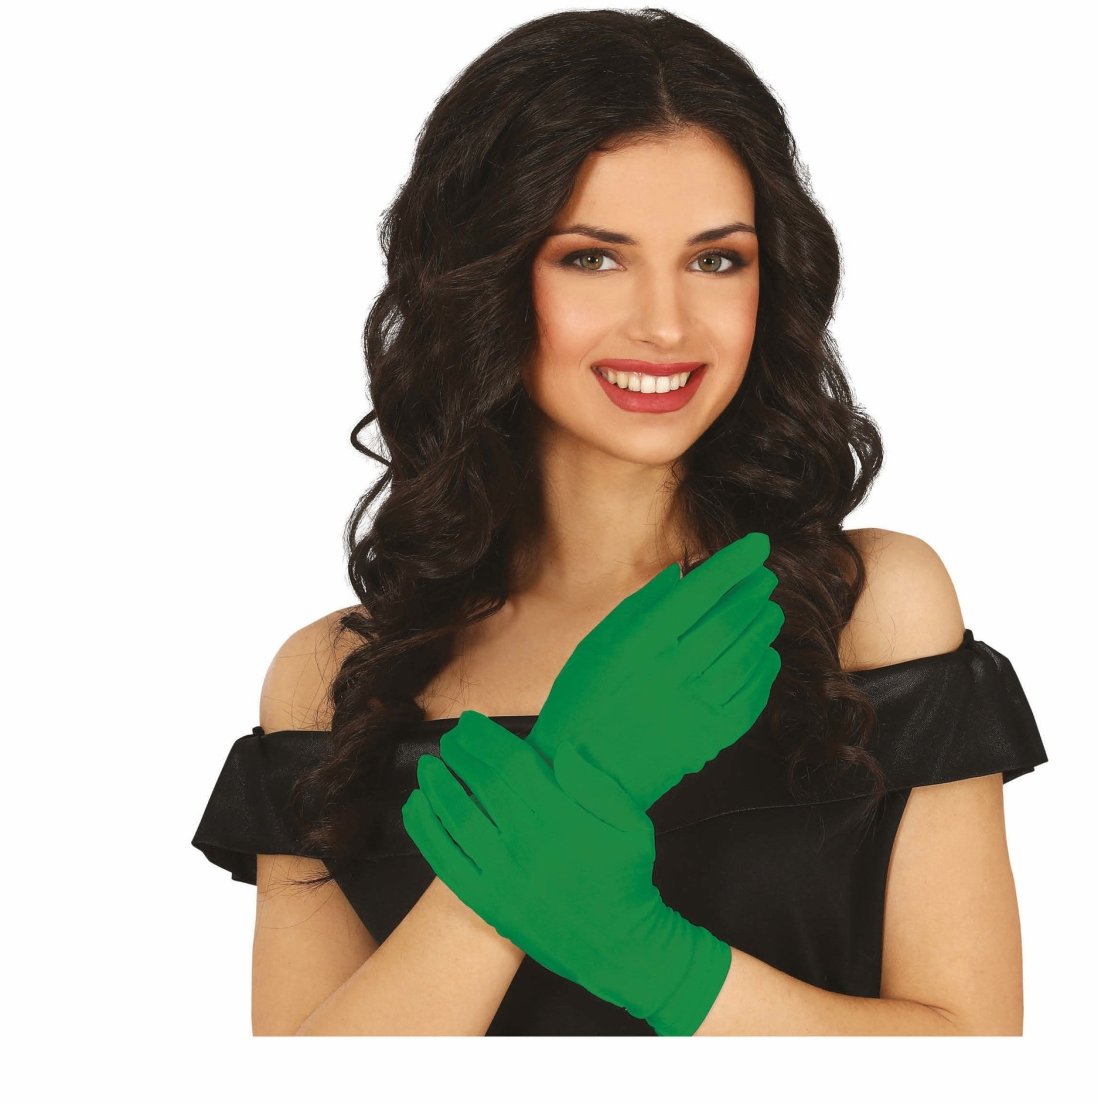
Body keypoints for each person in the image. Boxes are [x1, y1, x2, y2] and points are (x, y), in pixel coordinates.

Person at [192, 8, 1047, 1036]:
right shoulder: (336, 680)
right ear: (485, 276)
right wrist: (552, 818)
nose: (666, 324)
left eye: (716, 260)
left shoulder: (871, 610)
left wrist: (649, 957)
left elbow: (972, 1058)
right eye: (593, 259)